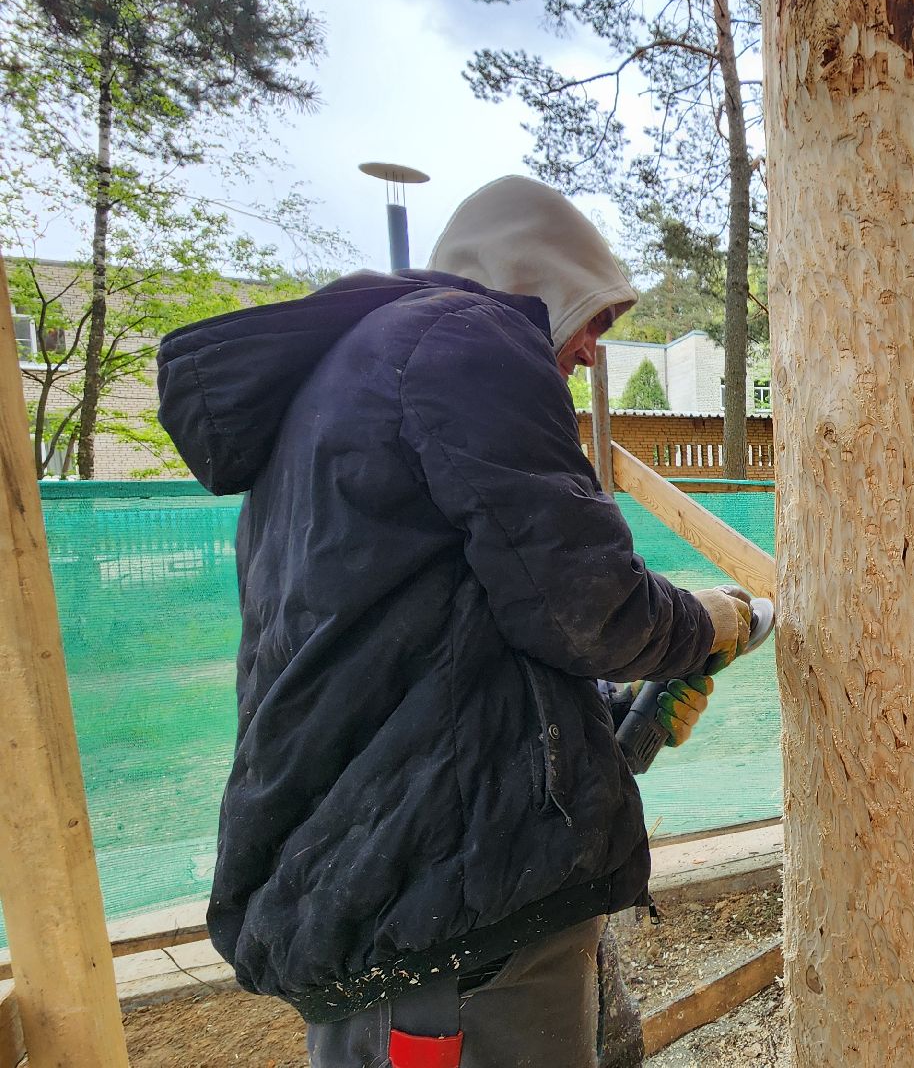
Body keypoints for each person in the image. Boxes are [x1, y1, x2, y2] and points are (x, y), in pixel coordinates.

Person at [156, 175, 752, 1066]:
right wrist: (704, 623)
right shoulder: (461, 339)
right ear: (528, 274)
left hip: (389, 890)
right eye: (594, 315)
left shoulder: (348, 386)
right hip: (444, 924)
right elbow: (590, 607)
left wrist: (617, 725)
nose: (592, 353)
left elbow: (440, 648)